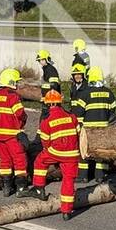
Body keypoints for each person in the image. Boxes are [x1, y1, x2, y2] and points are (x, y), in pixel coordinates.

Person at [27, 90, 81, 220]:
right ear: (59, 102)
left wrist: (51, 153)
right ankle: (66, 211)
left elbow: (44, 141)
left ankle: (39, 188)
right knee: (68, 180)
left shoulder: (47, 121)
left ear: (48, 104)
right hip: (72, 154)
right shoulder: (72, 117)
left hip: (56, 152)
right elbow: (79, 134)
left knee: (40, 161)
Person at [0, 68, 30, 197]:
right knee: (20, 160)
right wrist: (23, 121)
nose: (17, 85)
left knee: (5, 161)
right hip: (11, 134)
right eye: (16, 82)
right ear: (11, 82)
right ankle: (21, 187)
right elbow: (20, 113)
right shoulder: (12, 96)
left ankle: (6, 186)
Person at [78, 66, 116, 183]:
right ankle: (100, 176)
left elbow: (79, 113)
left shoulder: (85, 93)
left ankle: (83, 176)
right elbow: (112, 112)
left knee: (84, 152)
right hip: (103, 129)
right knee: (102, 153)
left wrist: (79, 127)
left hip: (88, 129)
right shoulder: (108, 93)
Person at [36, 49, 61, 118]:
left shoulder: (50, 70)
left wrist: (51, 100)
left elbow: (54, 85)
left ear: (46, 59)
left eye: (40, 60)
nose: (39, 62)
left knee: (48, 118)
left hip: (51, 101)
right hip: (47, 99)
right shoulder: (46, 69)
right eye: (39, 61)